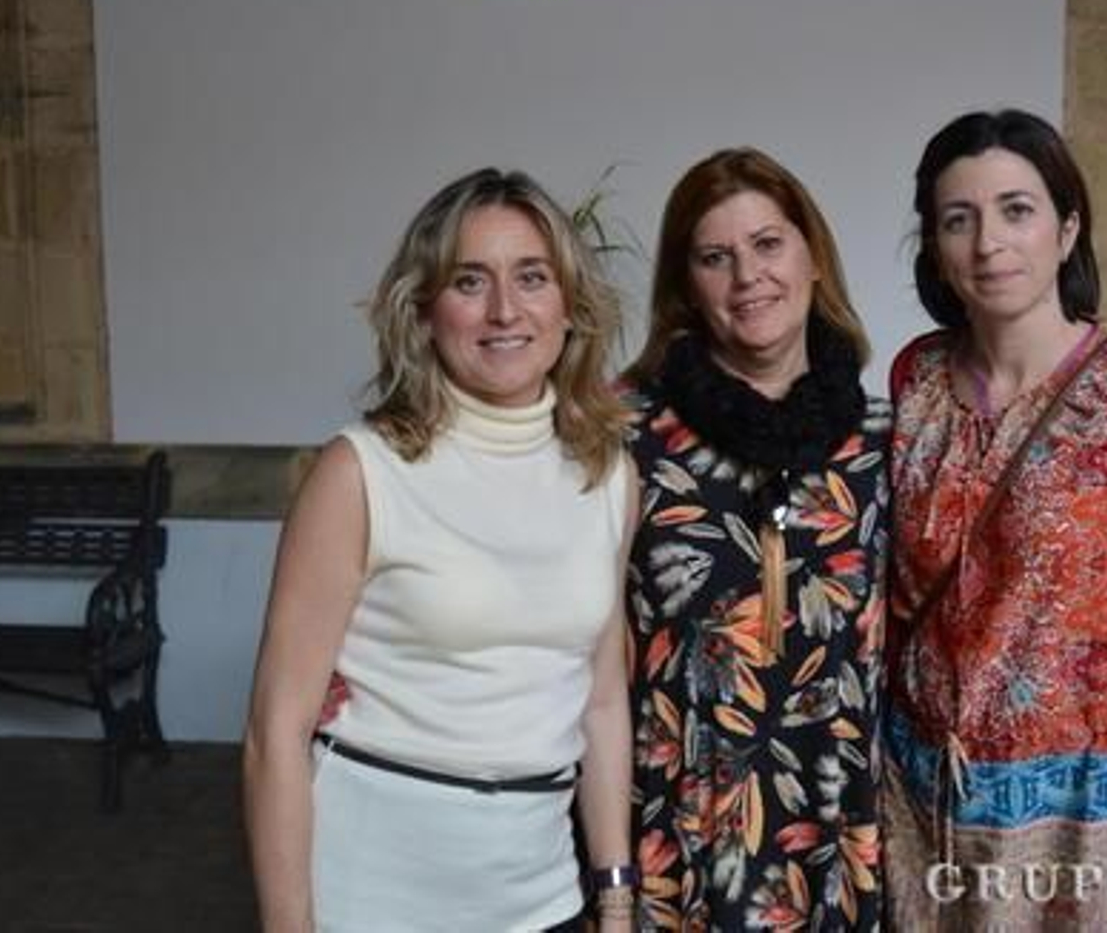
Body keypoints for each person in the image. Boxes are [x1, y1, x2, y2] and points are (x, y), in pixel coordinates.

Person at [242, 168, 639, 932]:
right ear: (424, 309)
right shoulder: (359, 472)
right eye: (469, 280)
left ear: (570, 306)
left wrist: (614, 896)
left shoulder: (609, 475)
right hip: (371, 896)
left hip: (542, 897)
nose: (504, 310)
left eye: (532, 277)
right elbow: (275, 731)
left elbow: (601, 697)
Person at [880, 109, 1107, 929]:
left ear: (1067, 225)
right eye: (958, 218)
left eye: (1017, 209)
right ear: (935, 245)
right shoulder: (917, 377)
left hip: (1097, 813)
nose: (989, 243)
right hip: (921, 802)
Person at [622, 147, 890, 930]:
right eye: (716, 257)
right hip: (677, 831)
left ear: (813, 257)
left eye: (768, 244)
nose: (748, 277)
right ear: (687, 286)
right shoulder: (628, 434)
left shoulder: (880, 440)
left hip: (834, 828)